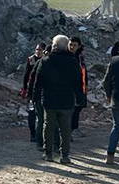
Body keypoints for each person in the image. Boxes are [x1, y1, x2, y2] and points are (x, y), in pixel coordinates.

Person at [33, 35, 86, 163]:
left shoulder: (46, 61)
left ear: (54, 46)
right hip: (66, 101)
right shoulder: (73, 62)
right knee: (65, 129)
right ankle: (65, 155)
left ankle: (48, 153)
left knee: (48, 127)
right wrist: (81, 99)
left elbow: (38, 81)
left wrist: (35, 97)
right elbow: (78, 83)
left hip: (49, 100)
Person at [20, 43, 47, 146]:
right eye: (37, 49)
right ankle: (33, 134)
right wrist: (25, 89)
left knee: (41, 115)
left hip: (42, 91)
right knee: (31, 113)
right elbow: (26, 75)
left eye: (40, 50)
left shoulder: (46, 60)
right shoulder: (31, 60)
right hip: (31, 92)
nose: (37, 52)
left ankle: (40, 134)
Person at [70, 36, 88, 131]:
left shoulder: (80, 58)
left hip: (80, 87)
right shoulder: (67, 57)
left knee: (77, 108)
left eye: (75, 45)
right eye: (71, 45)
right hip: (70, 89)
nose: (72, 47)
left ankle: (74, 128)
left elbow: (84, 72)